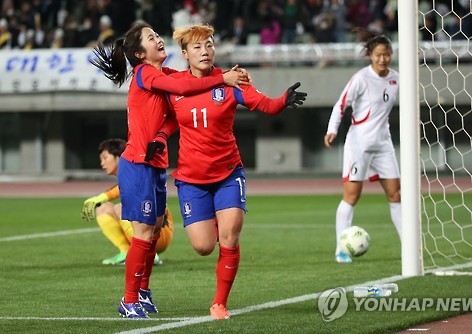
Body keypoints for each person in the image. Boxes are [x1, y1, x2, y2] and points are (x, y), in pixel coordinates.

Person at [90, 21, 249, 319]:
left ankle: (144, 292)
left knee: (152, 232)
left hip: (155, 163)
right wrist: (223, 79)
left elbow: (184, 101)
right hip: (137, 163)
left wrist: (227, 77)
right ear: (140, 53)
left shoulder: (162, 74)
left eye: (156, 35)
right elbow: (185, 86)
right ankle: (129, 300)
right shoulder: (146, 74)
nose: (158, 39)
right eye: (151, 38)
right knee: (143, 233)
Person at [168, 24, 307, 320]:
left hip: (229, 173)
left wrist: (282, 101)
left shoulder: (232, 81)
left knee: (230, 236)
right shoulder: (174, 86)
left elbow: (265, 105)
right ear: (184, 54)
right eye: (197, 47)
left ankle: (219, 302)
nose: (205, 51)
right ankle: (216, 222)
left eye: (209, 44)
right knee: (204, 246)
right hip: (191, 179)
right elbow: (166, 120)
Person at [324, 28, 401, 264]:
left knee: (396, 195)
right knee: (352, 196)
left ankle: (410, 247)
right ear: (370, 55)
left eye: (386, 54)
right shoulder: (361, 78)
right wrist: (332, 129)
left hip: (384, 144)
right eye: (378, 54)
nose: (382, 59)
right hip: (359, 145)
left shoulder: (397, 78)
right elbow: (341, 105)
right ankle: (341, 249)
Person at [80, 138, 173, 267]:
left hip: (159, 232)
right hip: (146, 228)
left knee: (121, 208)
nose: (102, 163)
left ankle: (149, 253)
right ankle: (125, 253)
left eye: (105, 158)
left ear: (119, 157)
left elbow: (121, 189)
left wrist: (98, 198)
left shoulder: (138, 170)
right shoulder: (128, 175)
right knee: (103, 209)